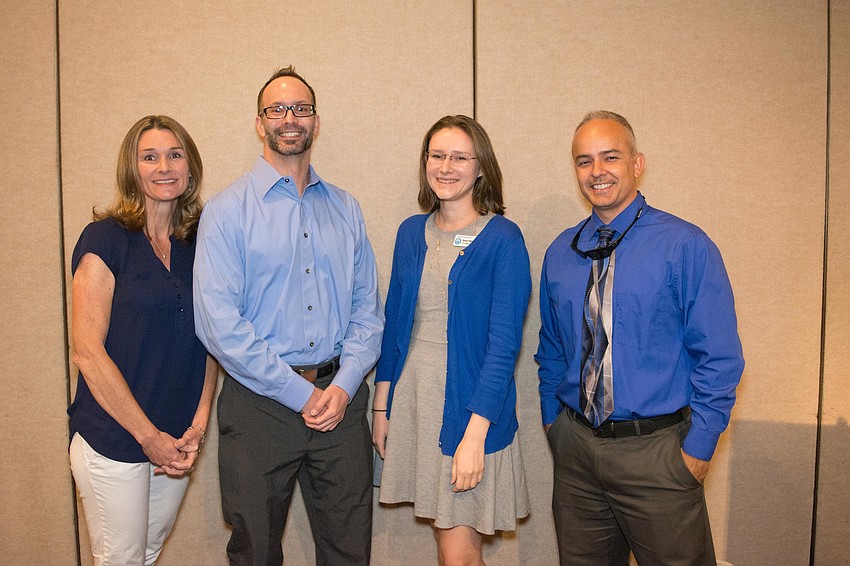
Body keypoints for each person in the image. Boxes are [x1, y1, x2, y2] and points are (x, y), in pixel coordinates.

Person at [193, 66, 384, 566]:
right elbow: (218, 325)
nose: (289, 118)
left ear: (316, 122)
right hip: (258, 406)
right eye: (276, 109)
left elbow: (368, 311)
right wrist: (302, 394)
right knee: (255, 551)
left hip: (341, 404)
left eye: (300, 108)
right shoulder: (226, 211)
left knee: (349, 550)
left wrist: (342, 386)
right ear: (259, 123)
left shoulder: (346, 209)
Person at [536, 110, 745, 565]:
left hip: (658, 456)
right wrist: (554, 423)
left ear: (637, 162)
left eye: (610, 157)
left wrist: (698, 449)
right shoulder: (560, 253)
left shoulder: (685, 245)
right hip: (576, 454)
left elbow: (720, 357)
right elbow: (552, 348)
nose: (597, 172)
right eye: (584, 161)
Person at [373, 115, 531, 565]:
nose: (446, 166)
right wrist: (381, 409)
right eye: (437, 155)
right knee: (449, 547)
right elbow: (395, 328)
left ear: (481, 167)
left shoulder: (503, 239)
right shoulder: (410, 232)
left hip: (467, 410)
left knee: (458, 555)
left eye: (460, 157)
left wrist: (474, 435)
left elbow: (503, 348)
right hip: (414, 404)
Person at [69, 115, 218, 566]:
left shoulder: (199, 244)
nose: (164, 166)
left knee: (146, 555)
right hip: (114, 439)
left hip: (176, 439)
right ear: (131, 169)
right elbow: (87, 352)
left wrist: (199, 422)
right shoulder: (105, 239)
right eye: (149, 156)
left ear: (190, 166)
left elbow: (212, 339)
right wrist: (147, 436)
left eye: (175, 155)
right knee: (121, 560)